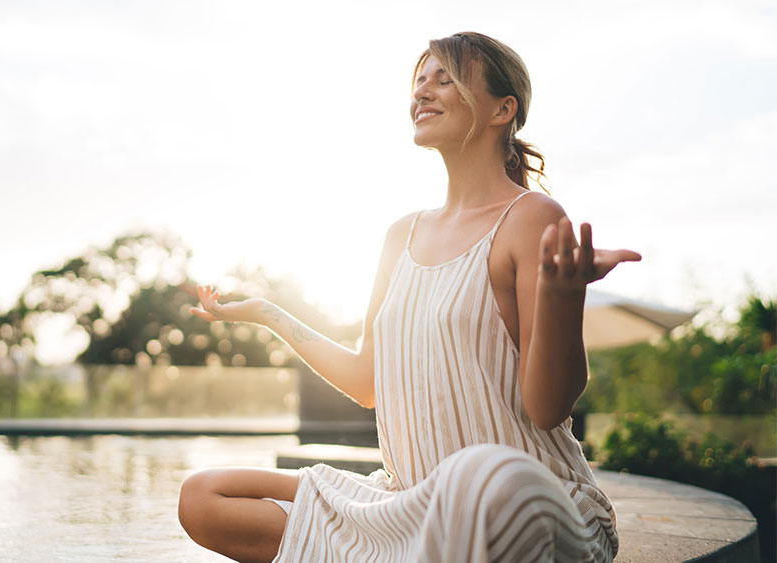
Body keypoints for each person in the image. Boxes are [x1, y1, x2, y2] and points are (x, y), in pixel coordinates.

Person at [177, 31, 640, 563]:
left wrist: (563, 298)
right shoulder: (401, 235)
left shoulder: (531, 218)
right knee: (205, 495)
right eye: (420, 80)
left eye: (445, 79)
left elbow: (547, 407)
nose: (423, 91)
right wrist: (268, 315)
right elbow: (366, 383)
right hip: (408, 505)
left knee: (477, 474)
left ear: (501, 109)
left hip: (528, 499)